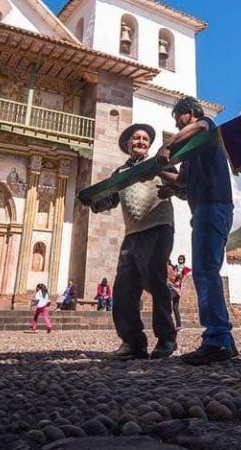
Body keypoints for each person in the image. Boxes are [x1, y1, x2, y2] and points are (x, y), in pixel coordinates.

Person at [157, 98, 237, 365]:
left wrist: (168, 144)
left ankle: (217, 339)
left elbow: (201, 126)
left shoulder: (205, 127)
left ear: (188, 113)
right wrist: (159, 173)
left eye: (177, 118)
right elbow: (182, 183)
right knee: (206, 269)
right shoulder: (192, 154)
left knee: (204, 270)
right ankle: (224, 340)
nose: (176, 124)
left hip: (213, 206)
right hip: (205, 208)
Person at [91, 123, 179, 360]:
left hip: (159, 226)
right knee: (123, 288)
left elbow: (179, 185)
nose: (141, 141)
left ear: (149, 145)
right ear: (128, 144)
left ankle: (166, 338)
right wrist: (94, 202)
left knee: (154, 277)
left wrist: (167, 185)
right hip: (132, 234)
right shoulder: (119, 174)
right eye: (136, 138)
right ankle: (133, 342)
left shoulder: (160, 162)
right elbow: (110, 200)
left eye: (145, 139)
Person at [168, 255, 192, 330]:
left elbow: (176, 276)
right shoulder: (176, 267)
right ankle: (179, 325)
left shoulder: (181, 268)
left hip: (175, 289)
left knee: (167, 302)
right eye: (179, 259)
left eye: (182, 259)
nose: (180, 260)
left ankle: (168, 324)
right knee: (175, 308)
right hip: (177, 290)